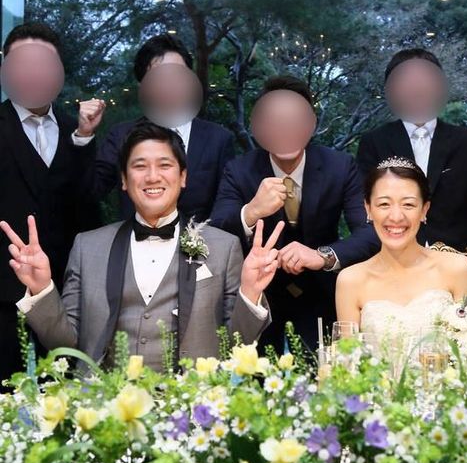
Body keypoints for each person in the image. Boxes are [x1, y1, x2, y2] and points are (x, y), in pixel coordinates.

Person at [0, 124, 282, 370]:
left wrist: (250, 293)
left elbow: (236, 345)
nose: (152, 176)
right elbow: (65, 345)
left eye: (164, 165)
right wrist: (41, 290)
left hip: (192, 404)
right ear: (124, 180)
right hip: (105, 404)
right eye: (139, 166)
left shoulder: (224, 247)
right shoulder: (88, 247)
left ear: (183, 176)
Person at [211, 76, 380, 352]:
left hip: (321, 295)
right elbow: (216, 231)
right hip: (261, 296)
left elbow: (370, 231)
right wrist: (251, 211)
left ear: (310, 124)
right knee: (256, 376)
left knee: (323, 372)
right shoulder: (239, 170)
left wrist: (323, 256)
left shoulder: (340, 166)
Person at [0, 22, 104, 384]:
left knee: (64, 393)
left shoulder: (75, 127)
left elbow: (87, 203)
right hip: (4, 290)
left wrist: (84, 138)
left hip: (63, 291)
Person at [357, 48, 467, 254]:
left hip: (459, 255)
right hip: (394, 255)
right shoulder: (374, 141)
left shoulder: (465, 139)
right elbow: (365, 201)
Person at [94, 34, 235, 221]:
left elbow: (225, 205)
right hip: (133, 238)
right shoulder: (121, 135)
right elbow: (91, 192)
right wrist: (83, 137)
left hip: (201, 238)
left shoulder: (219, 139)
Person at [336, 157, 467, 344]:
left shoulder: (456, 268)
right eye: (384, 204)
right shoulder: (350, 280)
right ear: (368, 209)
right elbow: (348, 357)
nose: (396, 217)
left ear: (424, 210)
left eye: (408, 204)